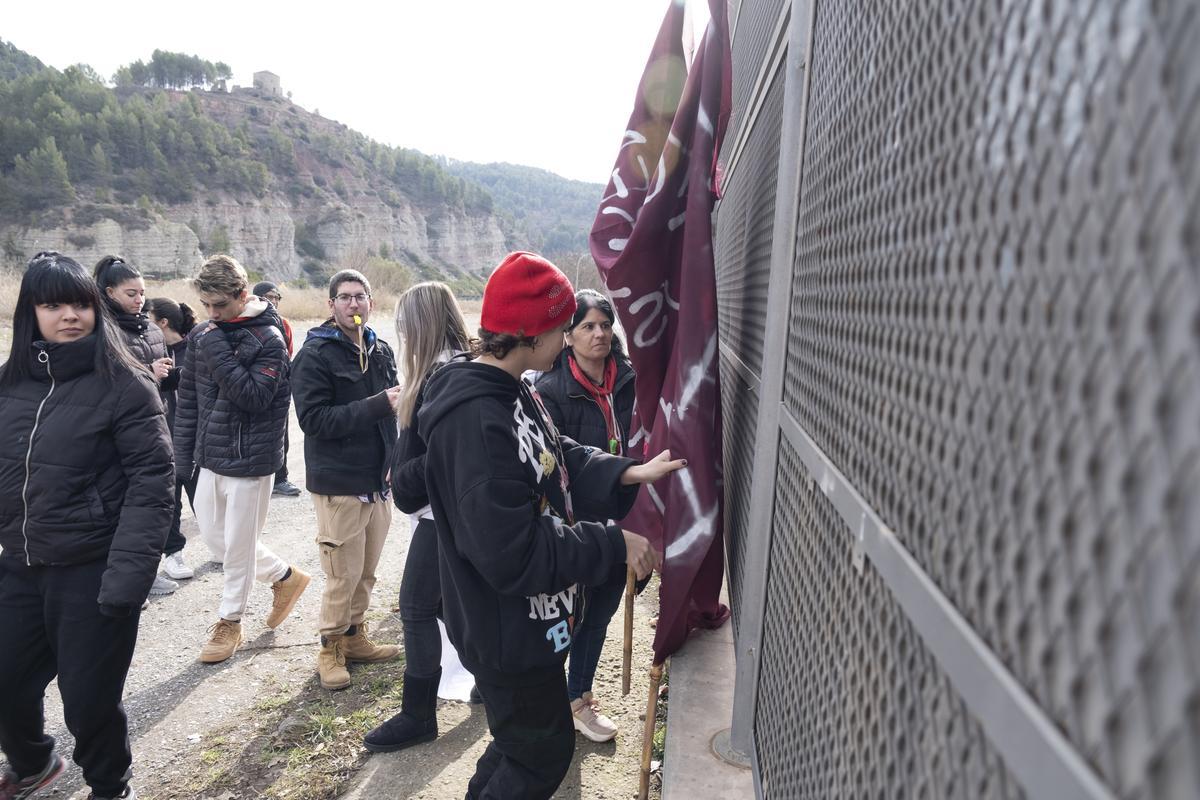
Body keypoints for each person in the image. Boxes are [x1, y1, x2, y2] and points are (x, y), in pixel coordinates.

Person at [419, 251, 682, 799]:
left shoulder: (513, 388)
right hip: (503, 631)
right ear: (530, 333)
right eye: (563, 327)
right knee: (541, 753)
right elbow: (511, 550)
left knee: (521, 743)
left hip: (530, 625)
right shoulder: (475, 421)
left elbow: (555, 454)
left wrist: (629, 471)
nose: (569, 338)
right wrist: (612, 541)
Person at [0, 252, 174, 800]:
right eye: (53, 304)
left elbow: (153, 485)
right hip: (19, 567)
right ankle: (31, 762)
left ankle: (109, 787)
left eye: (80, 303)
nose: (69, 315)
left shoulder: (125, 384)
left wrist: (128, 577)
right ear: (32, 312)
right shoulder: (9, 385)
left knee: (89, 700)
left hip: (91, 571)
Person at [174, 254, 310, 664]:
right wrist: (182, 460)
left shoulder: (268, 338)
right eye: (206, 307)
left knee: (236, 548)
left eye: (220, 306)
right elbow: (189, 401)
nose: (212, 314)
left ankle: (229, 622)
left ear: (242, 294)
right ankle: (285, 576)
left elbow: (252, 397)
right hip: (208, 456)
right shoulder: (203, 335)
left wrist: (215, 344)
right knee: (217, 541)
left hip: (252, 459)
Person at [363, 281, 473, 753]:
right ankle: (489, 680)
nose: (401, 330)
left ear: (421, 324)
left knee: (416, 608)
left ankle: (418, 714)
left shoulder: (444, 376)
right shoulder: (455, 368)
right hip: (445, 512)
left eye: (406, 321)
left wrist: (405, 476)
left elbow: (449, 453)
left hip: (439, 516)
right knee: (447, 606)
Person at [290, 270, 402, 690]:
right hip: (339, 482)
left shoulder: (381, 349)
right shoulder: (315, 355)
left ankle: (355, 637)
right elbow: (313, 420)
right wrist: (375, 405)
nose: (353, 305)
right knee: (342, 573)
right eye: (344, 298)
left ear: (371, 303)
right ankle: (330, 646)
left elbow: (391, 414)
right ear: (331, 305)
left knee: (367, 570)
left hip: (377, 481)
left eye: (360, 297)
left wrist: (396, 457)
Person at [534, 289, 636, 743]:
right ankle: (549, 697)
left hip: (625, 520)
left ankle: (578, 697)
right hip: (576, 528)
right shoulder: (550, 391)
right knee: (565, 616)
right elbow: (556, 465)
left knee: (599, 616)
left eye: (604, 325)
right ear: (568, 336)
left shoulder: (631, 380)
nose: (599, 335)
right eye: (587, 327)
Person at [95, 255, 178, 596]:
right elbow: (105, 384)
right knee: (120, 506)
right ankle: (120, 581)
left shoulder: (153, 329)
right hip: (117, 432)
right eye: (131, 293)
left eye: (142, 292)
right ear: (110, 291)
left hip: (154, 422)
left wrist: (170, 376)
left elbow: (161, 382)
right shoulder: (101, 330)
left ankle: (146, 573)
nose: (139, 299)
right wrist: (149, 374)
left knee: (150, 504)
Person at [147, 297, 199, 581]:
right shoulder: (151, 353)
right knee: (171, 500)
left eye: (149, 318)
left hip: (194, 436)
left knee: (204, 496)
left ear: (163, 322)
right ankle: (173, 555)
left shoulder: (195, 348)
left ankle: (221, 544)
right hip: (163, 436)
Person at [253, 281, 301, 498]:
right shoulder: (244, 322)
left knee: (281, 432)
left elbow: (287, 356)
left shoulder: (284, 324)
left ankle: (280, 478)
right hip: (251, 386)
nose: (273, 301)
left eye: (276, 297)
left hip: (278, 386)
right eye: (269, 297)